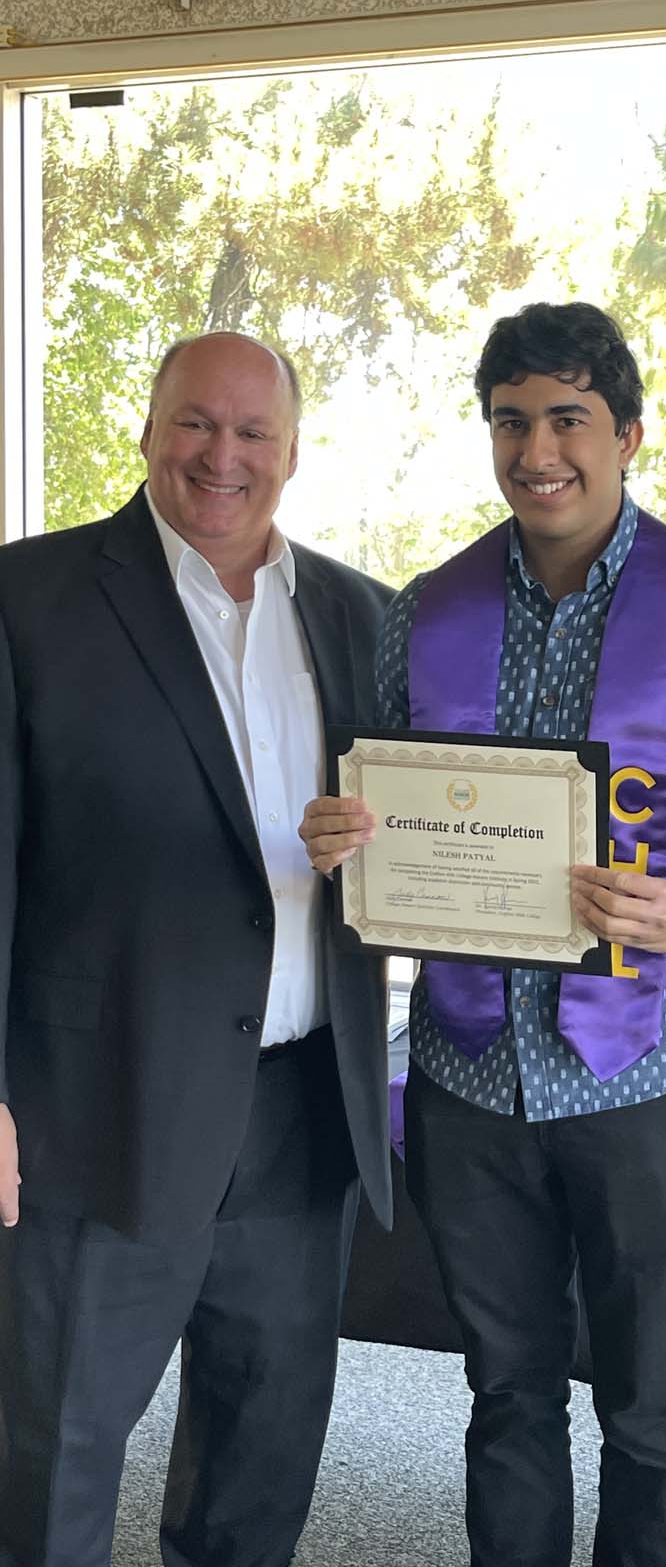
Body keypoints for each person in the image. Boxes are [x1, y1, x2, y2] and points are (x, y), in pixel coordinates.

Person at [301, 301, 666, 1567]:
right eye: (511, 421)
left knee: (648, 1410)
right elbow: (390, 816)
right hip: (467, 1073)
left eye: (569, 418)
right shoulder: (427, 613)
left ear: (628, 432)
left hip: (640, 1073)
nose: (538, 452)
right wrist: (352, 843)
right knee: (505, 1393)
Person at [0, 332, 394, 1567]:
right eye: (196, 424)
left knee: (260, 1462)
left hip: (296, 1113)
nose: (223, 456)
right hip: (95, 1104)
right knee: (53, 1452)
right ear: (148, 426)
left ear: (292, 450)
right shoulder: (29, 599)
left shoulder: (358, 614)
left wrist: (383, 849)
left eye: (253, 433)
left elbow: (416, 842)